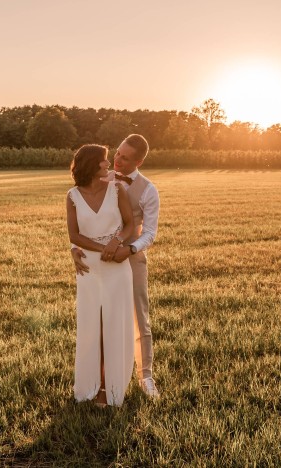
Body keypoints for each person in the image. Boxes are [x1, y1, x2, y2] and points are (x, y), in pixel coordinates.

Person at [71, 134, 160, 398]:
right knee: (100, 318)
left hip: (131, 257)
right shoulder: (102, 179)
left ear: (139, 161)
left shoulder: (148, 190)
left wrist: (129, 249)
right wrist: (73, 248)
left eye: (125, 158)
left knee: (139, 317)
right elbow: (84, 221)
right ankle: (100, 378)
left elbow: (150, 233)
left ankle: (145, 377)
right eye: (117, 154)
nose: (117, 161)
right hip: (99, 260)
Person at [66, 144, 135, 407]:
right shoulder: (72, 195)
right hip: (89, 268)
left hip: (117, 266)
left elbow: (129, 224)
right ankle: (89, 386)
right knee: (91, 327)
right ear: (93, 165)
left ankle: (110, 387)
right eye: (105, 161)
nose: (109, 164)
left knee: (113, 325)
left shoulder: (116, 189)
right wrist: (101, 248)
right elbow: (74, 235)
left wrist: (115, 243)